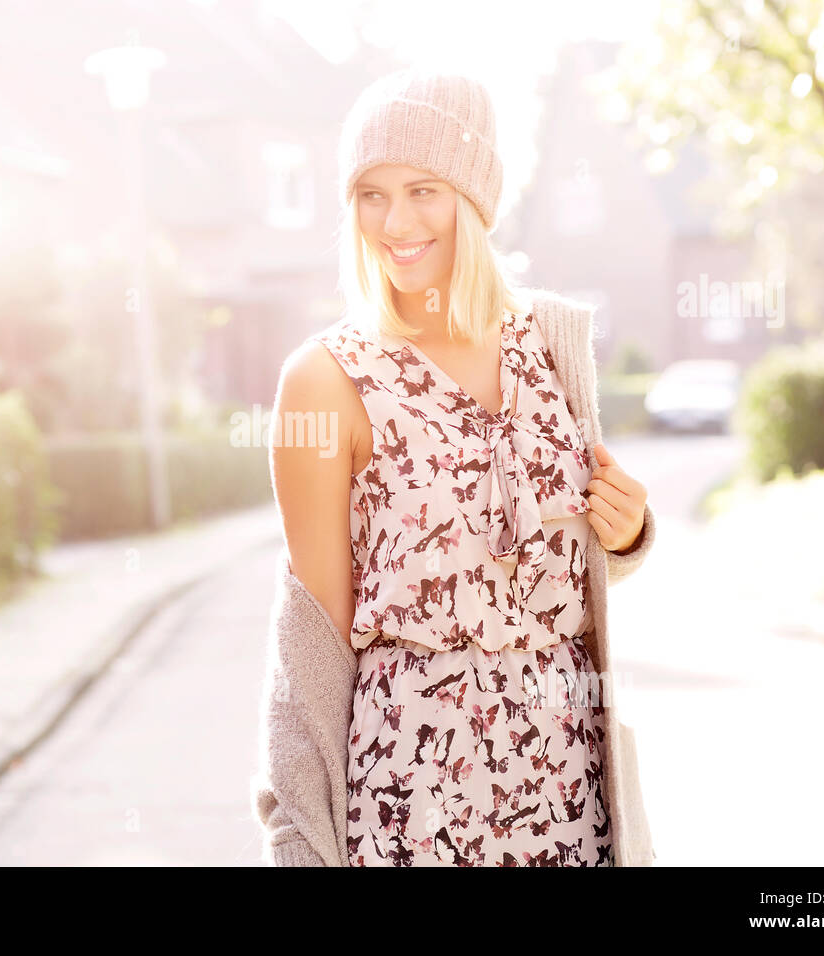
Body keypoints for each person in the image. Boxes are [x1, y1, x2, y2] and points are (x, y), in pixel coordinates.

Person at [264, 68, 655, 866]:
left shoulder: (549, 344)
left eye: (422, 189)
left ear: (475, 198)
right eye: (370, 195)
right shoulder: (325, 380)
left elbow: (546, 559)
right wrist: (299, 844)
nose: (394, 221)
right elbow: (312, 651)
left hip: (568, 786)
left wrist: (628, 533)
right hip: (416, 802)